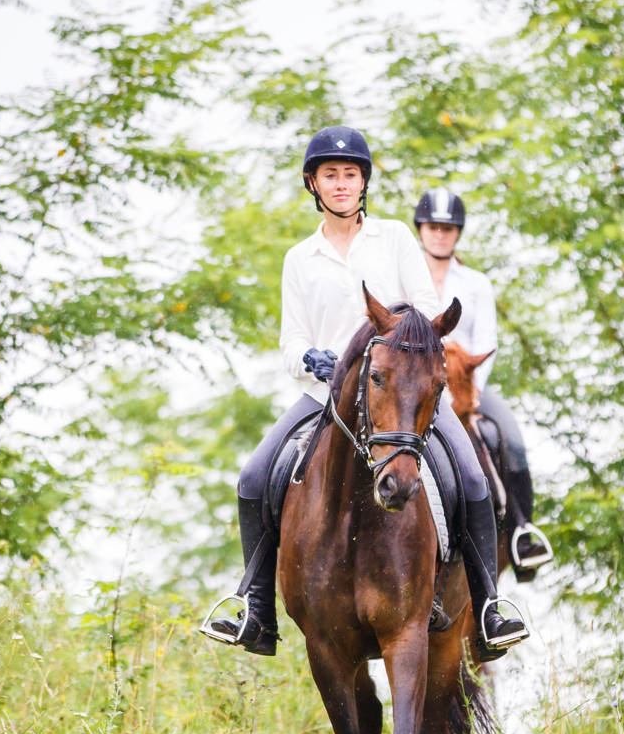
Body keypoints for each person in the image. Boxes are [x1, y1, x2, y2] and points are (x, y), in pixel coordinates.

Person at [200, 126, 529, 660]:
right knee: (254, 475)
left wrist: (396, 346)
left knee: (470, 475)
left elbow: (423, 307)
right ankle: (256, 608)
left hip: (398, 392)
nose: (341, 183)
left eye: (350, 174)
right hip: (324, 395)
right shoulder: (298, 259)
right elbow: (292, 339)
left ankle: (489, 606)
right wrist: (309, 359)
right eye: (330, 175)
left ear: (363, 182)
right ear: (313, 183)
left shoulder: (396, 237)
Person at [413, 188, 554, 578]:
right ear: (420, 230)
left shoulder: (476, 283)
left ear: (457, 233)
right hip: (417, 387)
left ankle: (522, 533)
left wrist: (469, 393)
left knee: (511, 437)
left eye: (447, 228)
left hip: (466, 385)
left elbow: (486, 343)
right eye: (433, 227)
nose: (440, 234)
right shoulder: (406, 277)